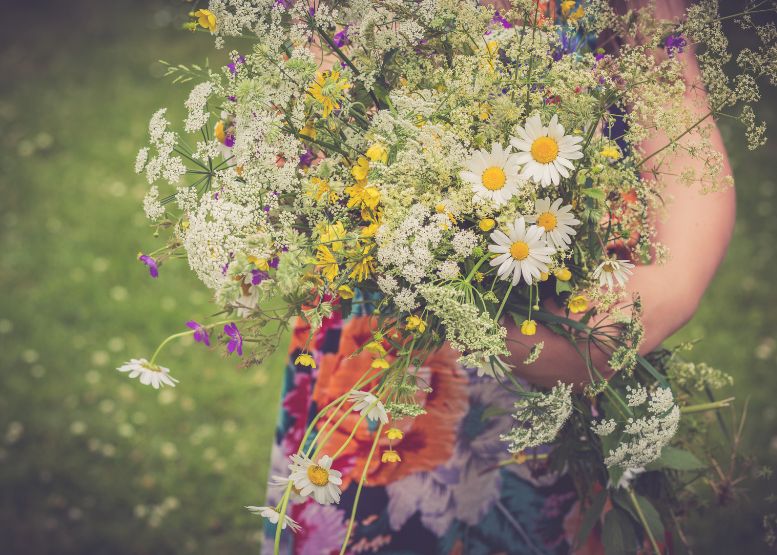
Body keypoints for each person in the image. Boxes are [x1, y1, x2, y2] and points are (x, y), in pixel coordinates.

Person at [262, 1, 735, 553]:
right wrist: (449, 294)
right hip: (387, 360)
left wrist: (671, 286)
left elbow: (674, 96)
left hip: (581, 333)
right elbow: (308, 115)